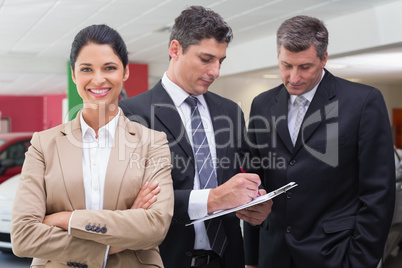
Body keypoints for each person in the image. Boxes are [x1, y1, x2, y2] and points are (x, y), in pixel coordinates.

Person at [119, 5, 272, 268]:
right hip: (165, 259)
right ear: (175, 49)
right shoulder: (131, 114)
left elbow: (237, 175)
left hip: (229, 257)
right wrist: (212, 199)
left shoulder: (230, 111)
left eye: (220, 61)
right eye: (206, 59)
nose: (216, 71)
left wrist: (255, 202)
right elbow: (133, 202)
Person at [11, 24, 174, 268]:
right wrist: (123, 230)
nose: (98, 79)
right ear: (74, 74)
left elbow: (154, 227)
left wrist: (66, 219)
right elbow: (23, 237)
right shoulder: (43, 144)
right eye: (87, 69)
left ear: (125, 72)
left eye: (109, 68)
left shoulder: (152, 142)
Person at [243, 15, 396, 268]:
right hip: (273, 255)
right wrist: (251, 258)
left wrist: (360, 261)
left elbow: (378, 193)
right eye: (286, 65)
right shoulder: (261, 104)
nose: (293, 77)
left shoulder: (363, 102)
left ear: (323, 59)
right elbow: (254, 183)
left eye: (305, 67)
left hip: (336, 254)